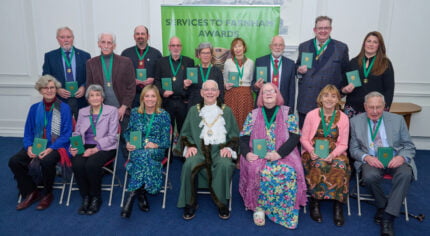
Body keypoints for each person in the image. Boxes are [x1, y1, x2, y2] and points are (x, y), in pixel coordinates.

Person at [239, 83, 307, 229]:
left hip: (282, 154)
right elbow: (243, 137)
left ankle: (286, 211)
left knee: (287, 172)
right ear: (261, 97)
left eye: (272, 91)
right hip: (258, 155)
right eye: (265, 92)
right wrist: (247, 153)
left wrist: (278, 154)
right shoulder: (253, 114)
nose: (269, 93)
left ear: (278, 95)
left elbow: (295, 136)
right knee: (258, 171)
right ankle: (259, 208)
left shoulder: (287, 112)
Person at [350, 91, 416, 236]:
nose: (375, 111)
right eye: (371, 107)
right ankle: (383, 205)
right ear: (365, 106)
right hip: (372, 160)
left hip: (394, 158)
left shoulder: (398, 120)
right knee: (369, 177)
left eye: (378, 107)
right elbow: (353, 149)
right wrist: (366, 157)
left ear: (385, 106)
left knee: (405, 174)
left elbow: (409, 146)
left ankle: (387, 217)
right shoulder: (355, 121)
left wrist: (402, 158)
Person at [177, 80, 239, 220]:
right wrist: (190, 145)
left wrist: (229, 147)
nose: (210, 92)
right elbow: (185, 133)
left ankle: (222, 203)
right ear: (201, 92)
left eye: (213, 89)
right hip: (199, 151)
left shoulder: (226, 111)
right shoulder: (194, 111)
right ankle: (190, 202)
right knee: (189, 164)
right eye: (206, 89)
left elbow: (234, 135)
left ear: (218, 93)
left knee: (225, 164)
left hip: (219, 152)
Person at [8, 75, 72, 211]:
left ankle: (47, 194)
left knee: (47, 161)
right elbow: (28, 132)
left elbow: (67, 135)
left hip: (57, 146)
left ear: (56, 89)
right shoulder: (34, 108)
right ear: (40, 90)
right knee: (14, 161)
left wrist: (51, 149)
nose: (49, 90)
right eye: (45, 88)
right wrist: (29, 147)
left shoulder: (64, 108)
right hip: (37, 144)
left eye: (52, 88)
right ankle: (31, 191)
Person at [300, 85, 350, 226]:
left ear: (338, 100)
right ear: (320, 98)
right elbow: (303, 138)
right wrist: (311, 151)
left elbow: (344, 144)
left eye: (333, 96)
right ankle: (315, 202)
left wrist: (333, 155)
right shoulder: (312, 114)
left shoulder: (344, 118)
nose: (329, 99)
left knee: (340, 166)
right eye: (326, 95)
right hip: (313, 150)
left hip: (335, 151)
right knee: (318, 164)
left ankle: (338, 205)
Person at [121, 85, 171, 218]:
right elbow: (128, 132)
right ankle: (141, 193)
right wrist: (128, 143)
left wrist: (155, 144)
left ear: (157, 98)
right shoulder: (136, 112)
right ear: (142, 98)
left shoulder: (164, 115)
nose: (150, 99)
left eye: (153, 96)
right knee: (143, 156)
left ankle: (131, 195)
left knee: (146, 155)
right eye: (147, 96)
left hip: (156, 150)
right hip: (138, 147)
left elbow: (166, 142)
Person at [70, 84, 118, 215]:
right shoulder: (82, 112)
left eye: (98, 95)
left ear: (102, 97)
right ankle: (85, 197)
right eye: (92, 95)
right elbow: (77, 133)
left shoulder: (112, 111)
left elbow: (113, 137)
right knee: (77, 164)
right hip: (85, 145)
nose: (95, 98)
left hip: (105, 146)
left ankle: (96, 197)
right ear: (88, 99)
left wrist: (95, 149)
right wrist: (74, 146)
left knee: (91, 165)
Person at [86, 32, 135, 159]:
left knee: (126, 138)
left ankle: (130, 165)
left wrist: (124, 106)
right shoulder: (91, 63)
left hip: (122, 109)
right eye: (103, 42)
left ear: (114, 45)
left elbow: (131, 86)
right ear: (99, 44)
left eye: (109, 42)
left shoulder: (125, 62)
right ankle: (107, 166)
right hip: (102, 111)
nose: (106, 45)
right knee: (103, 139)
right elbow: (90, 88)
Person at [296, 16, 349, 128]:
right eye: (320, 28)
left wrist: (341, 92)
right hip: (307, 101)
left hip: (329, 102)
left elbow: (345, 72)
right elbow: (297, 67)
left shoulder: (341, 48)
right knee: (305, 136)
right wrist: (299, 70)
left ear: (330, 29)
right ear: (315, 30)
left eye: (326, 28)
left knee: (327, 138)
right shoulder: (304, 46)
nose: (323, 31)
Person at [342, 31, 394, 118]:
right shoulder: (353, 62)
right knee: (352, 132)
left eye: (375, 42)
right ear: (364, 43)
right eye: (369, 41)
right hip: (353, 108)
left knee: (372, 132)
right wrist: (345, 89)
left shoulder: (385, 63)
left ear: (379, 45)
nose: (371, 44)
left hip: (374, 110)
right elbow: (343, 85)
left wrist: (384, 110)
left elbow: (389, 90)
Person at [42, 27, 91, 119]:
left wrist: (84, 86)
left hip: (81, 99)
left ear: (73, 38)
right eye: (62, 37)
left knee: (83, 128)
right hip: (60, 99)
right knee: (60, 128)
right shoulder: (50, 56)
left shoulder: (85, 55)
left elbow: (90, 76)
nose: (66, 40)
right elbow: (46, 78)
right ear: (57, 39)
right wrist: (57, 89)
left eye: (69, 37)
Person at [154, 36, 194, 136]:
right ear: (169, 47)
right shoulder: (161, 62)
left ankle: (183, 151)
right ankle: (169, 152)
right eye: (173, 45)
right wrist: (163, 92)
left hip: (183, 102)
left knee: (184, 131)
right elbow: (156, 81)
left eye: (178, 45)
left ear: (181, 47)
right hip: (167, 102)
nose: (176, 48)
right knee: (166, 131)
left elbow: (193, 82)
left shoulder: (189, 62)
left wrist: (187, 85)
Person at [121, 25, 162, 108]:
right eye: (137, 34)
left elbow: (161, 74)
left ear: (148, 36)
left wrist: (154, 79)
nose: (140, 36)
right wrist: (131, 80)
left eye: (142, 34)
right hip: (132, 96)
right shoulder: (126, 53)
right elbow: (121, 74)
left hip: (151, 96)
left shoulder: (156, 53)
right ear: (134, 36)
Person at [252, 36, 296, 112]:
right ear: (270, 46)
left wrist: (290, 109)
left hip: (283, 105)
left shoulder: (291, 64)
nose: (278, 47)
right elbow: (254, 85)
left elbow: (292, 90)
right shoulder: (260, 62)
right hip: (264, 104)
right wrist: (256, 86)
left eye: (280, 45)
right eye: (275, 45)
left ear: (284, 47)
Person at [223, 37, 254, 129]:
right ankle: (231, 140)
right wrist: (226, 85)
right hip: (231, 94)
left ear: (244, 48)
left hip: (246, 94)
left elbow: (252, 79)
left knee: (245, 119)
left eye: (239, 46)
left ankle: (243, 141)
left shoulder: (251, 62)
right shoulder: (228, 62)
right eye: (235, 47)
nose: (237, 49)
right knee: (231, 119)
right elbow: (224, 79)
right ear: (232, 49)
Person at [187, 42, 224, 109]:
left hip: (213, 106)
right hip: (195, 106)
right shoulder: (193, 71)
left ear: (211, 55)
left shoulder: (217, 71)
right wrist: (185, 86)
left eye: (208, 53)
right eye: (203, 53)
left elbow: (221, 92)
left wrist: (219, 107)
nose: (205, 55)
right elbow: (189, 91)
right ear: (199, 55)